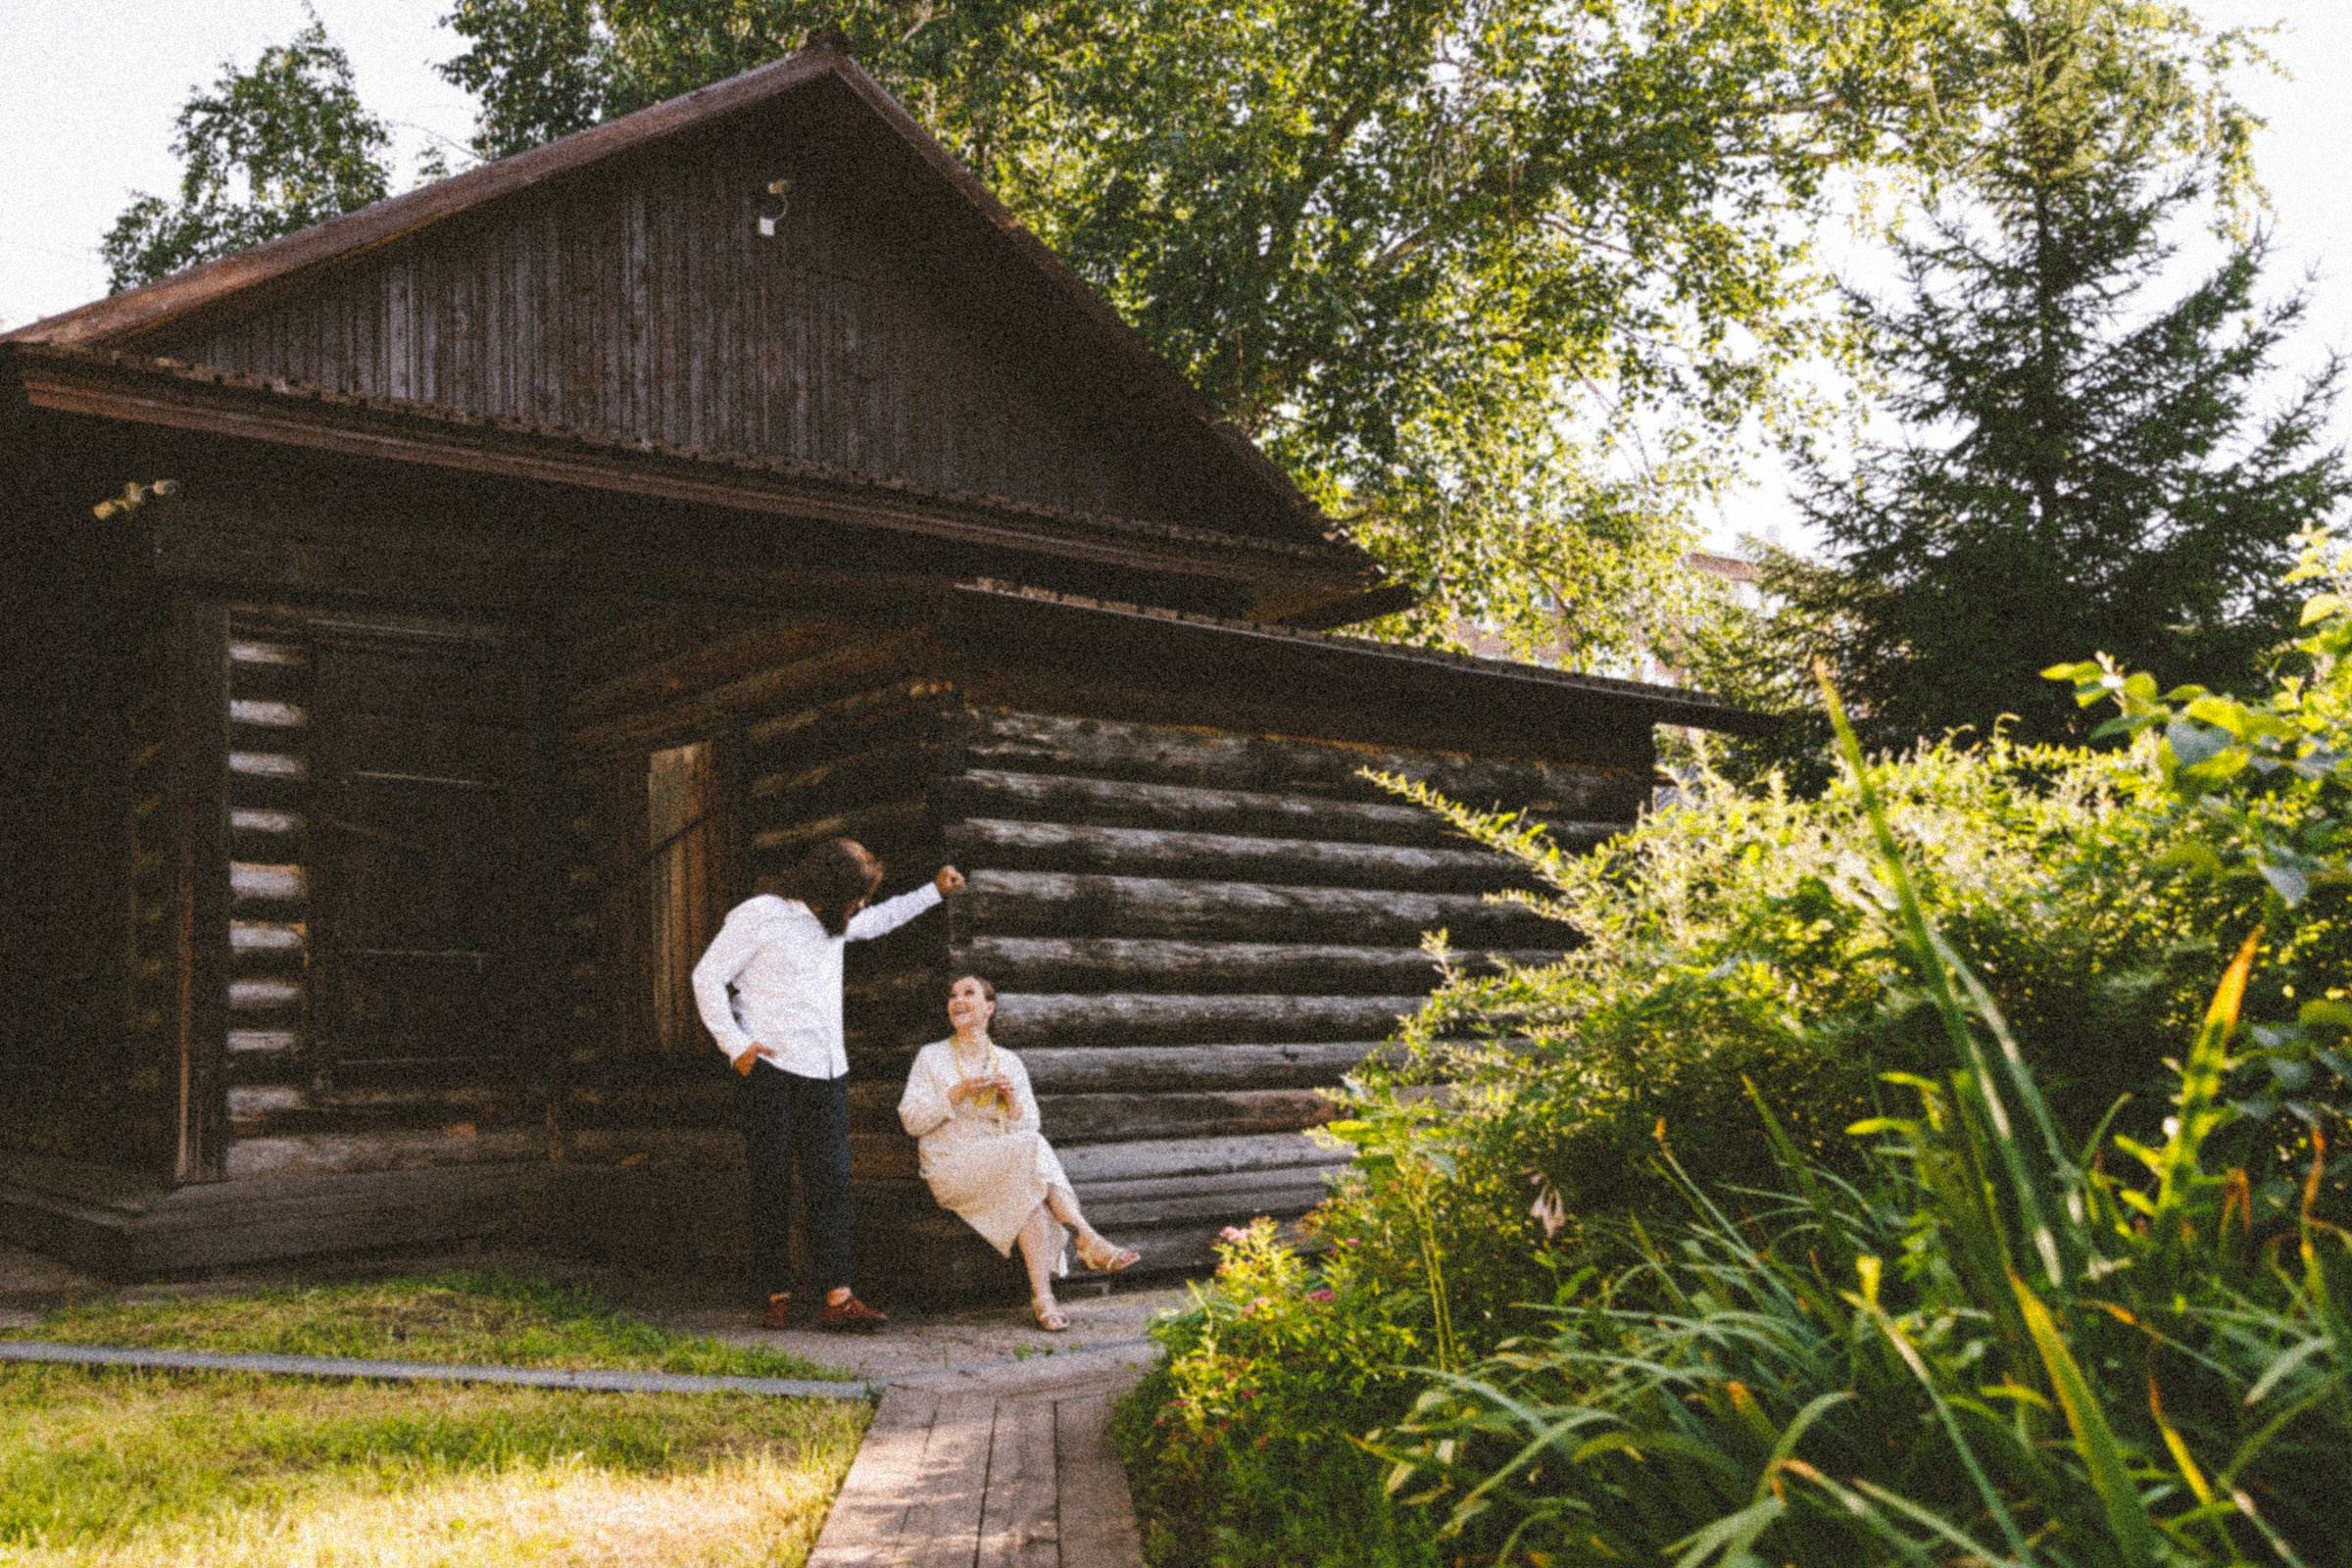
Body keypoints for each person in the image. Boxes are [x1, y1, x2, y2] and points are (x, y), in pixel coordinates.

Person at [693, 837, 964, 1332]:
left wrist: (933, 891)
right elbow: (707, 977)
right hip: (769, 1071)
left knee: (832, 1182)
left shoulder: (833, 922)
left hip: (827, 1071)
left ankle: (837, 1297)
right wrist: (737, 1047)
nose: (860, 906)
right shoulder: (760, 914)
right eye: (855, 896)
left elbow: (880, 919)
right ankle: (775, 1291)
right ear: (826, 889)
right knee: (771, 1181)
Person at [898, 974, 1140, 1331]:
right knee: (1031, 1151)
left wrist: (1012, 1103)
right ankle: (1086, 1237)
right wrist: (957, 1092)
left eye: (968, 993)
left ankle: (1044, 1298)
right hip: (951, 1170)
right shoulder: (931, 1057)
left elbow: (1029, 1130)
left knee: (1032, 1196)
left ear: (989, 1008)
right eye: (952, 995)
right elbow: (911, 1121)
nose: (957, 1000)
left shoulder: (1008, 1062)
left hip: (1001, 1167)